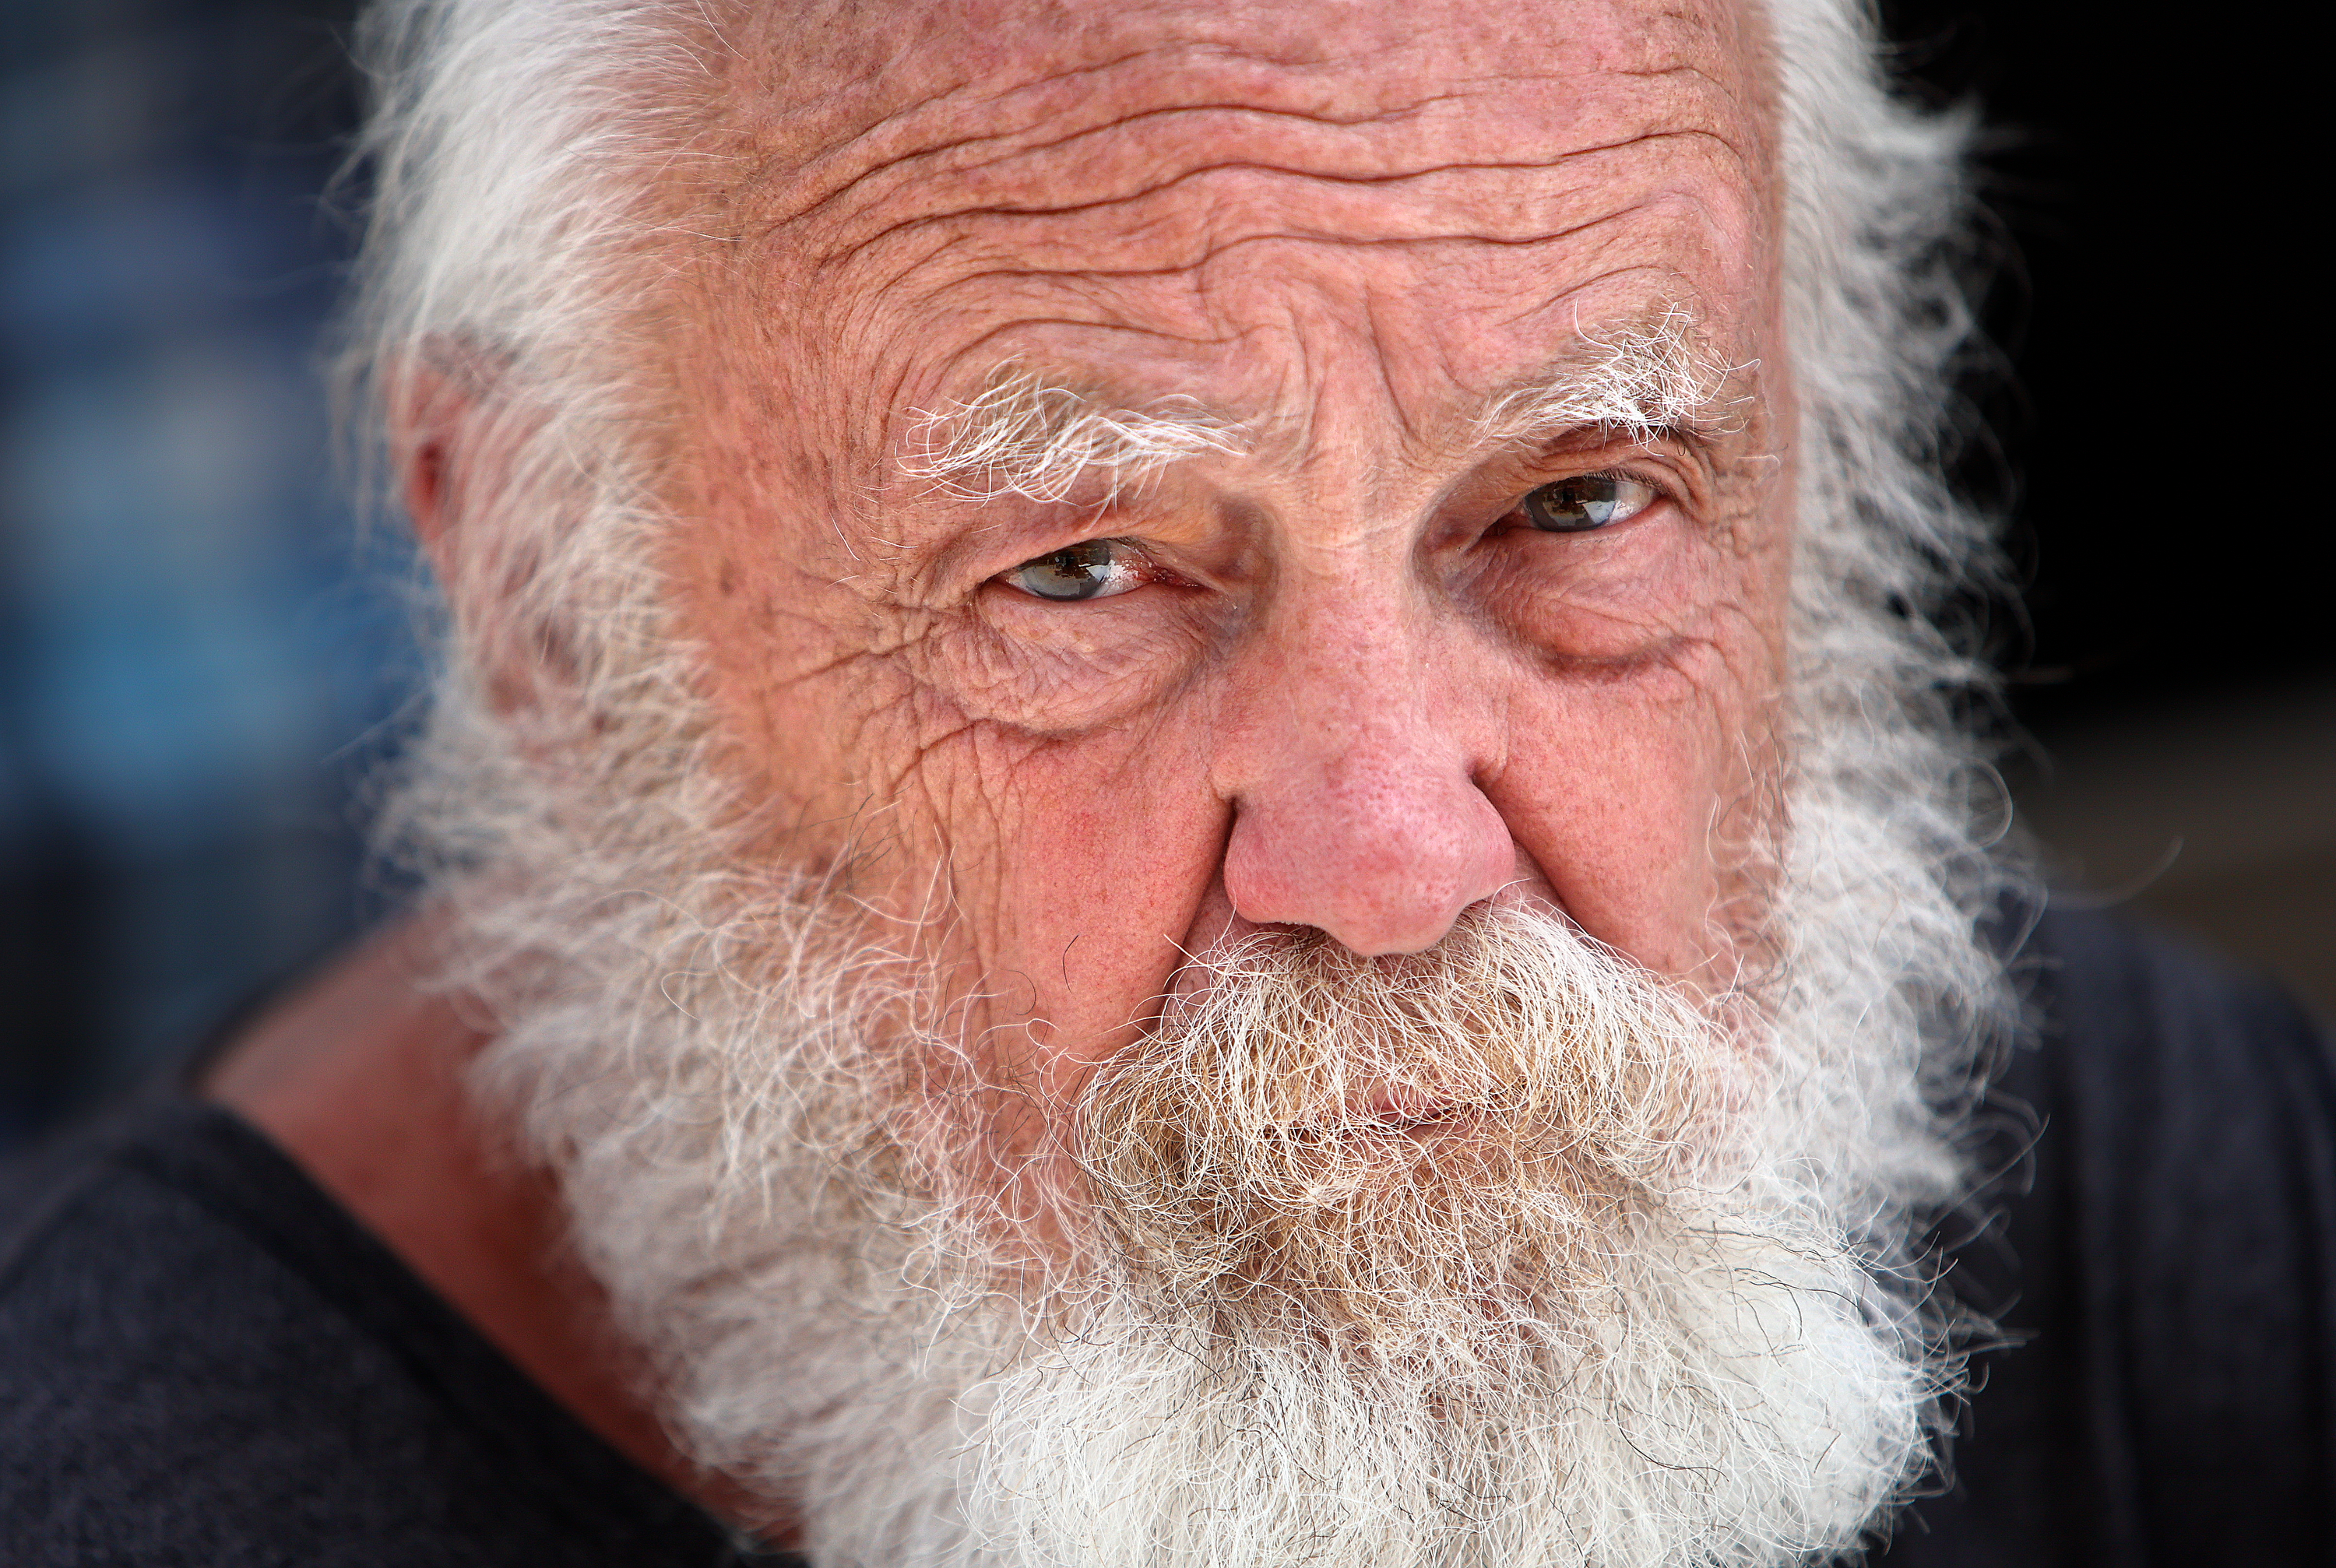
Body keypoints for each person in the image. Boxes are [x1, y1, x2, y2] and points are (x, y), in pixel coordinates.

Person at [2, 1, 2327, 1564]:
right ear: (549, 602)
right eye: (1081, 569)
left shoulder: (2108, 1175)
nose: (1398, 863)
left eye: (1579, 502)